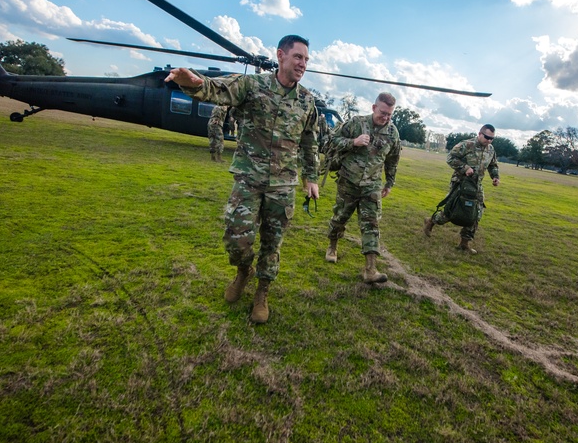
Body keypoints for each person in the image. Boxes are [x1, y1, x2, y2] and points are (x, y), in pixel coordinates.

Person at [165, 35, 320, 324]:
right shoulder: (253, 85)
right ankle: (243, 271)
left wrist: (311, 178)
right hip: (249, 179)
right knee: (236, 240)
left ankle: (262, 292)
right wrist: (191, 81)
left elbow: (310, 141)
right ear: (281, 55)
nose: (303, 64)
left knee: (272, 244)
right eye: (298, 57)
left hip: (283, 185)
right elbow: (218, 90)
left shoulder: (307, 101)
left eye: (306, 59)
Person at [324, 92, 401, 283]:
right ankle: (332, 246)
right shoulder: (356, 123)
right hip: (348, 181)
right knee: (340, 217)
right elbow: (330, 141)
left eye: (389, 114)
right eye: (382, 113)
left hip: (372, 186)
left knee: (371, 225)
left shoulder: (393, 133)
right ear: (374, 108)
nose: (385, 118)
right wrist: (353, 142)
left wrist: (389, 183)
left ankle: (370, 270)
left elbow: (392, 160)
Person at [424, 124, 500, 253]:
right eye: (487, 137)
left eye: (492, 138)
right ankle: (431, 221)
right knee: (451, 211)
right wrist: (465, 168)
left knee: (476, 213)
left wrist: (495, 176)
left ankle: (464, 244)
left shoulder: (491, 149)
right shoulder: (466, 145)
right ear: (480, 134)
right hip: (460, 183)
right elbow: (450, 158)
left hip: (476, 186)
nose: (489, 140)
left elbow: (493, 165)